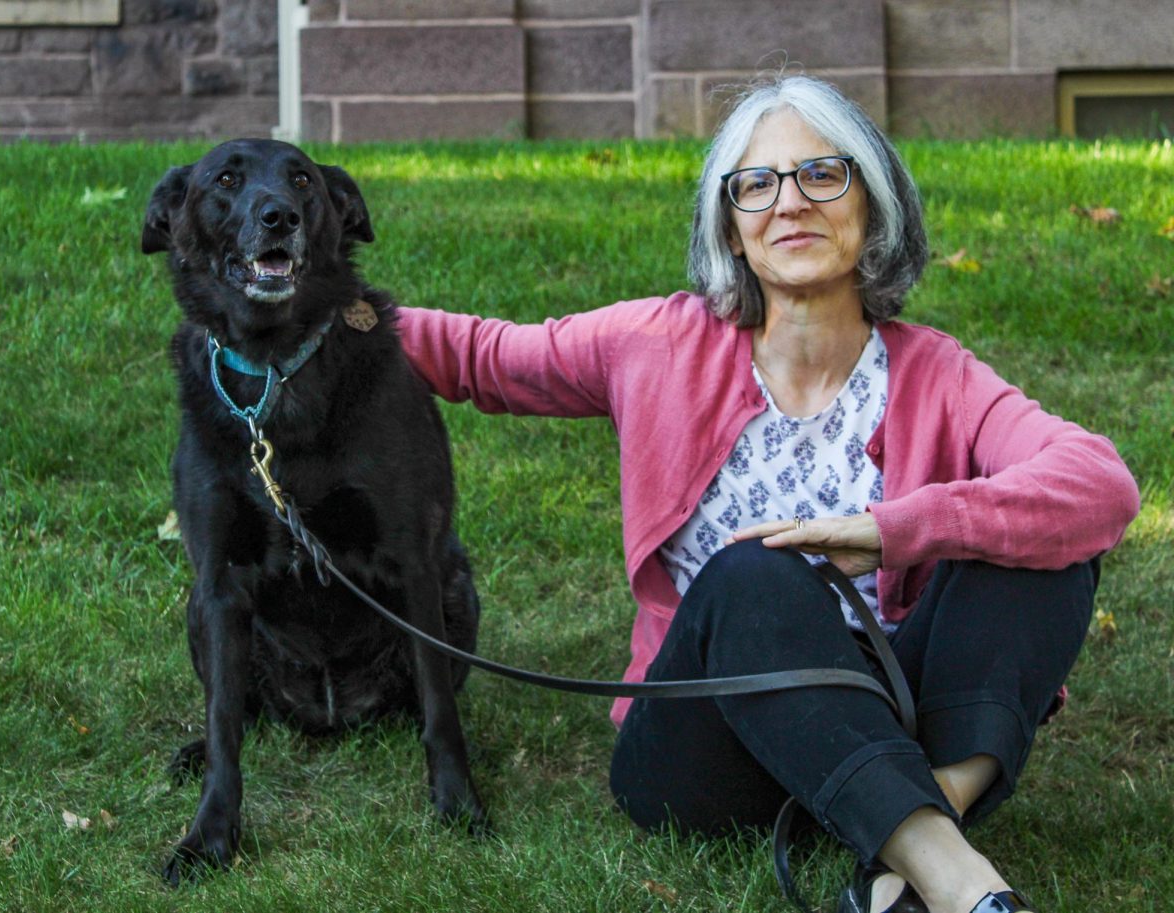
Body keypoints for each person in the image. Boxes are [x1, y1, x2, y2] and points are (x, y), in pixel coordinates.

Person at [395, 76, 1139, 913]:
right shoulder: (658, 344)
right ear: (733, 229)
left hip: (892, 717)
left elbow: (1102, 484)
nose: (790, 203)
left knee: (1048, 543)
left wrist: (896, 529)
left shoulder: (938, 372)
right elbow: (482, 357)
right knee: (755, 570)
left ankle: (910, 836)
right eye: (757, 184)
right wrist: (318, 312)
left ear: (874, 204)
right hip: (708, 750)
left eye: (823, 174)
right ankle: (958, 874)